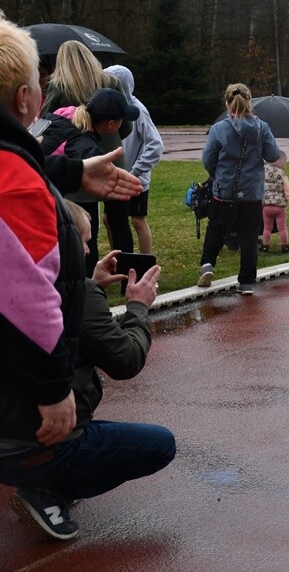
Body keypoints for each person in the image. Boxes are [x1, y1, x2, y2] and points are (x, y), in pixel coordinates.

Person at [5, 200, 176, 541]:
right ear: (61, 244)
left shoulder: (10, 282)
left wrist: (93, 286)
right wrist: (138, 307)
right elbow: (126, 361)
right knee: (160, 445)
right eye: (82, 241)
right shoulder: (75, 294)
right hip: (40, 445)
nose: (86, 250)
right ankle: (49, 493)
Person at [0, 19, 88, 540]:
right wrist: (54, 390)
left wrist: (71, 173)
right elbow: (27, 301)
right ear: (25, 98)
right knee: (150, 446)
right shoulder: (14, 180)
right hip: (23, 385)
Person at [42, 41, 134, 261]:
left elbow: (47, 121)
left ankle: (90, 275)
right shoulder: (110, 81)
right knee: (120, 223)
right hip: (112, 158)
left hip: (80, 162)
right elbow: (126, 125)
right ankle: (128, 271)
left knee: (85, 225)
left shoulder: (60, 86)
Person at [39, 88, 141, 275]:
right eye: (122, 119)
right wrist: (104, 166)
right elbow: (86, 152)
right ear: (111, 125)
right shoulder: (82, 142)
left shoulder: (64, 113)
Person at [197, 83, 280, 296]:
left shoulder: (218, 129)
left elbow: (208, 159)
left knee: (216, 227)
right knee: (249, 234)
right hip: (251, 192)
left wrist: (217, 175)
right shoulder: (263, 128)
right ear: (250, 102)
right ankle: (246, 282)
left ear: (227, 103)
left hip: (224, 190)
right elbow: (273, 155)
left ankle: (207, 265)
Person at [105, 65, 164, 254]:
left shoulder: (138, 110)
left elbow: (155, 145)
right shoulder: (112, 110)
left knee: (138, 221)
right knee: (109, 219)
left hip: (135, 177)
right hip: (117, 176)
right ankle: (116, 257)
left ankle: (146, 263)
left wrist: (136, 171)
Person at [261, 150, 289, 253]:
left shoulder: (263, 173)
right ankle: (285, 246)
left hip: (266, 207)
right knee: (282, 228)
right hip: (279, 208)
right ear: (280, 163)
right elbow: (288, 192)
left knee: (267, 228)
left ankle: (265, 246)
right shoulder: (282, 175)